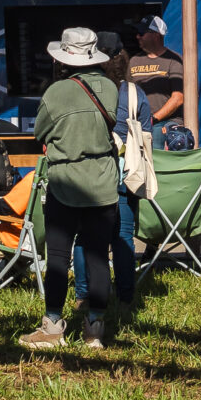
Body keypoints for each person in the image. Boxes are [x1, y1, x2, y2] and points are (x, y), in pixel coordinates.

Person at [22, 25, 121, 352]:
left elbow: (40, 132)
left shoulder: (56, 92)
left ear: (63, 58)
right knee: (97, 256)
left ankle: (52, 326)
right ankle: (95, 329)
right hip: (103, 181)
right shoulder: (109, 87)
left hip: (65, 181)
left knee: (58, 257)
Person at [73, 31, 147, 318]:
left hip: (89, 174)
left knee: (84, 237)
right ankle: (126, 298)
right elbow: (147, 134)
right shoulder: (134, 93)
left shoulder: (79, 89)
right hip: (124, 174)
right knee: (123, 236)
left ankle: (83, 296)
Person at [127, 16, 186, 145]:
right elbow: (128, 94)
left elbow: (178, 98)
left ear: (156, 35)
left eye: (141, 33)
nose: (137, 36)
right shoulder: (134, 61)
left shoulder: (174, 60)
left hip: (166, 122)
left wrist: (153, 119)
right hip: (138, 123)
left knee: (157, 137)